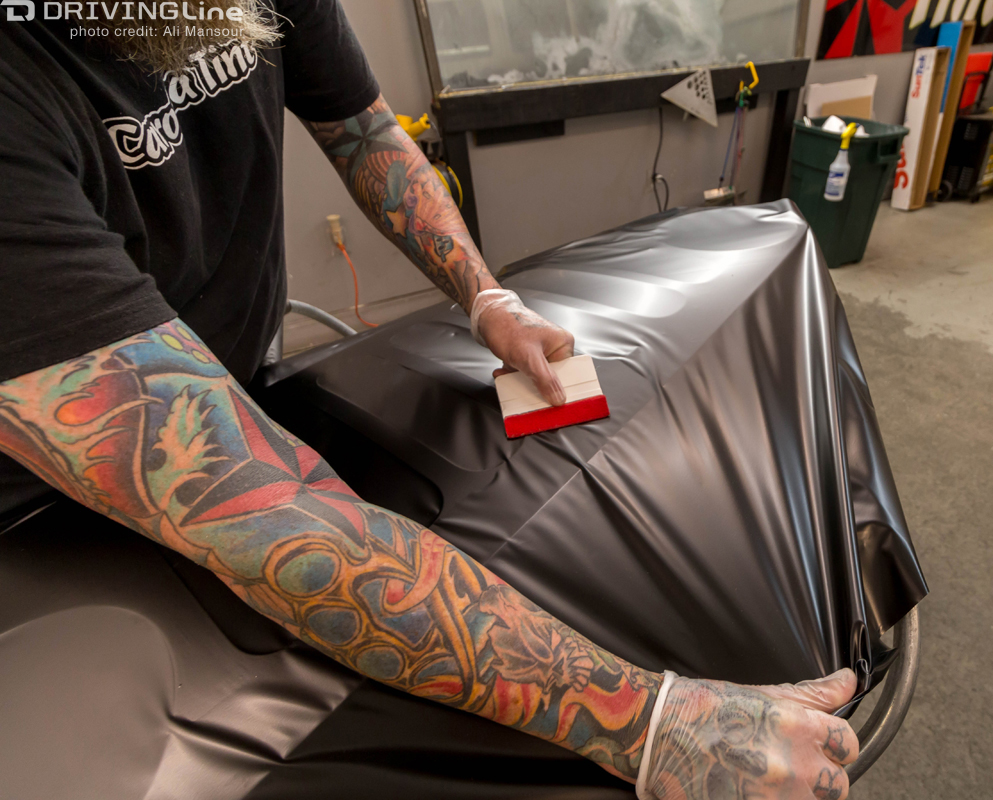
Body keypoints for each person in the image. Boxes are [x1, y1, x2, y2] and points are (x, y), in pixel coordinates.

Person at [0, 2, 860, 797]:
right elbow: (264, 510)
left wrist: (485, 297)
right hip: (42, 511)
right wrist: (647, 721)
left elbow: (365, 133)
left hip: (229, 372)